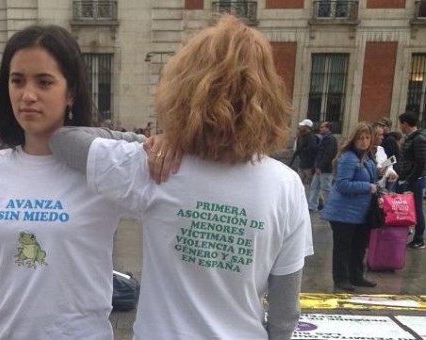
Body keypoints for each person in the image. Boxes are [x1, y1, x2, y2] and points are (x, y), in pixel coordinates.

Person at [49, 15, 313, 340]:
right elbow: (286, 310)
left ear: (186, 88)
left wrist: (154, 142)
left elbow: (64, 141)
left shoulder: (156, 167)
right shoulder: (286, 186)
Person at [0, 25, 139, 340]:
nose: (27, 95)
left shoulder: (103, 170)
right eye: (17, 80)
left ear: (70, 92)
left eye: (44, 82)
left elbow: (157, 159)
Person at [320, 123, 378, 291]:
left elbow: (368, 177)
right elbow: (343, 184)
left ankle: (356, 276)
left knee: (359, 245)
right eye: (361, 138)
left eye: (367, 138)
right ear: (354, 139)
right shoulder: (348, 157)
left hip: (360, 212)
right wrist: (368, 187)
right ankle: (341, 278)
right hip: (343, 213)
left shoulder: (366, 157)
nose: (364, 141)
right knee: (343, 247)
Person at [396, 112, 426, 249]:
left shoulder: (418, 139)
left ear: (405, 124)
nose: (400, 127)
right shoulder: (410, 138)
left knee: (417, 208)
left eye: (400, 123)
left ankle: (419, 238)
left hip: (415, 179)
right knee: (409, 208)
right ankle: (410, 235)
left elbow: (420, 162)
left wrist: (410, 178)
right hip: (408, 177)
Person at [308, 121, 338, 211]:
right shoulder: (325, 138)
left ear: (328, 128)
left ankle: (330, 207)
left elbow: (328, 155)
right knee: (314, 186)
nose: (320, 128)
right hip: (319, 167)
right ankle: (312, 206)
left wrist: (320, 166)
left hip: (325, 169)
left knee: (326, 188)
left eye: (322, 127)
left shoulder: (330, 139)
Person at [290, 119, 318, 185]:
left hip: (308, 164)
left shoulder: (311, 137)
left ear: (307, 127)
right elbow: (296, 149)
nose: (300, 127)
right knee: (299, 181)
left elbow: (312, 148)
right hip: (302, 162)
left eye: (302, 126)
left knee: (307, 182)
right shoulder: (300, 136)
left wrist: (302, 150)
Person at [372, 122, 398, 190]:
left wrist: (391, 173)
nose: (382, 137)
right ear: (373, 135)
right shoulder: (364, 151)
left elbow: (388, 165)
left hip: (380, 188)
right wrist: (379, 171)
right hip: (369, 188)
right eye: (380, 135)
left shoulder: (381, 149)